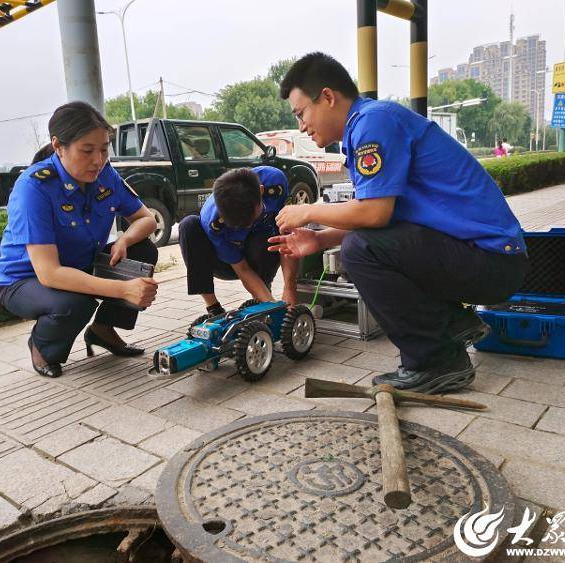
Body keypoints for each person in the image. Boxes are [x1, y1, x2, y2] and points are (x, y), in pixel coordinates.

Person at [269, 52, 529, 394]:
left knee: (359, 251)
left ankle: (438, 362)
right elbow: (383, 219)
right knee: (365, 246)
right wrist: (319, 241)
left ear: (328, 97)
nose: (301, 125)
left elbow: (374, 214)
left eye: (301, 113)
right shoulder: (371, 122)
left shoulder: (372, 123)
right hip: (485, 258)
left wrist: (309, 211)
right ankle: (453, 324)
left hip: (492, 260)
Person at [0, 101, 159, 378]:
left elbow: (147, 219)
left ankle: (103, 329)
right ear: (58, 146)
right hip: (25, 280)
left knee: (142, 251)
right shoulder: (34, 187)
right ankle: (43, 348)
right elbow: (50, 274)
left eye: (104, 149)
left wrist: (124, 240)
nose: (98, 159)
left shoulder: (105, 175)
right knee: (74, 303)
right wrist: (123, 289)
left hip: (80, 265)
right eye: (87, 150)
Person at [178, 166, 298, 315]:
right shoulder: (213, 222)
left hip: (263, 250)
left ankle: (263, 292)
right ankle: (213, 307)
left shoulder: (275, 183)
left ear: (260, 192)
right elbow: (242, 269)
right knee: (188, 225)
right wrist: (274, 309)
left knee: (267, 234)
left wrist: (289, 288)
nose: (245, 226)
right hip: (227, 263)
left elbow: (288, 236)